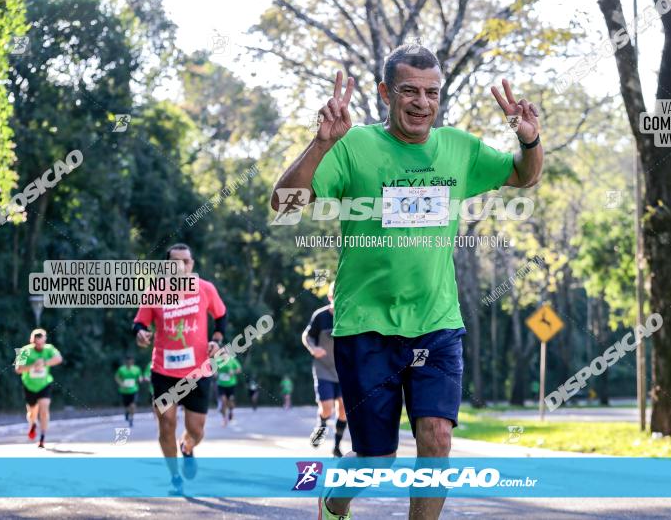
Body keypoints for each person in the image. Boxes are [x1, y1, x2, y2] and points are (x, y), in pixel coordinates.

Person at [271, 45, 542, 520]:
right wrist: (321, 144)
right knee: (376, 460)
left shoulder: (459, 148)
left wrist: (530, 140)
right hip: (366, 326)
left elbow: (523, 176)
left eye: (432, 92)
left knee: (436, 438)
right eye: (409, 91)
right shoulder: (354, 146)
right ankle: (333, 503)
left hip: (436, 323)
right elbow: (284, 205)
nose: (422, 102)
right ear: (385, 93)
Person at [133, 243, 228, 494]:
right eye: (176, 261)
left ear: (192, 264)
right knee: (166, 424)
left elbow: (221, 316)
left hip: (198, 372)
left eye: (186, 261)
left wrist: (216, 340)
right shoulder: (154, 292)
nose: (181, 266)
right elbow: (140, 323)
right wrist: (141, 334)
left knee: (196, 430)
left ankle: (187, 447)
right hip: (163, 371)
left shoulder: (205, 289)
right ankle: (175, 477)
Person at [301, 282, 346, 458]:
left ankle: (336, 446)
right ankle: (321, 424)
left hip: (343, 371)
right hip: (324, 369)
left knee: (343, 409)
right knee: (327, 408)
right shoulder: (320, 316)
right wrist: (313, 349)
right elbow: (307, 336)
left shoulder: (349, 318)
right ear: (330, 297)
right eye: (336, 296)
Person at [14, 328, 63, 449]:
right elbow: (18, 369)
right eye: (37, 344)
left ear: (44, 341)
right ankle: (33, 424)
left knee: (44, 409)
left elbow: (59, 359)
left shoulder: (49, 349)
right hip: (29, 385)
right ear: (32, 341)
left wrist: (44, 363)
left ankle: (42, 438)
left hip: (44, 384)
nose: (39, 346)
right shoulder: (25, 351)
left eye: (41, 343)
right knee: (32, 413)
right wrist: (32, 365)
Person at [115, 356, 142, 427]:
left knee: (133, 405)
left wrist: (140, 380)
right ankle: (127, 413)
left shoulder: (137, 369)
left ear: (132, 362)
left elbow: (139, 377)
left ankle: (131, 419)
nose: (129, 363)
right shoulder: (121, 369)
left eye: (131, 361)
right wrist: (121, 384)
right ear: (126, 362)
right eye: (128, 362)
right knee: (126, 406)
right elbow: (117, 377)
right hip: (124, 391)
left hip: (134, 390)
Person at [215, 354, 242, 426]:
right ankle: (224, 419)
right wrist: (215, 373)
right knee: (223, 401)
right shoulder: (218, 361)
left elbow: (239, 369)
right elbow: (214, 371)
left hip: (231, 385)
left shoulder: (232, 361)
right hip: (221, 385)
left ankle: (231, 412)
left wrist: (233, 372)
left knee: (230, 401)